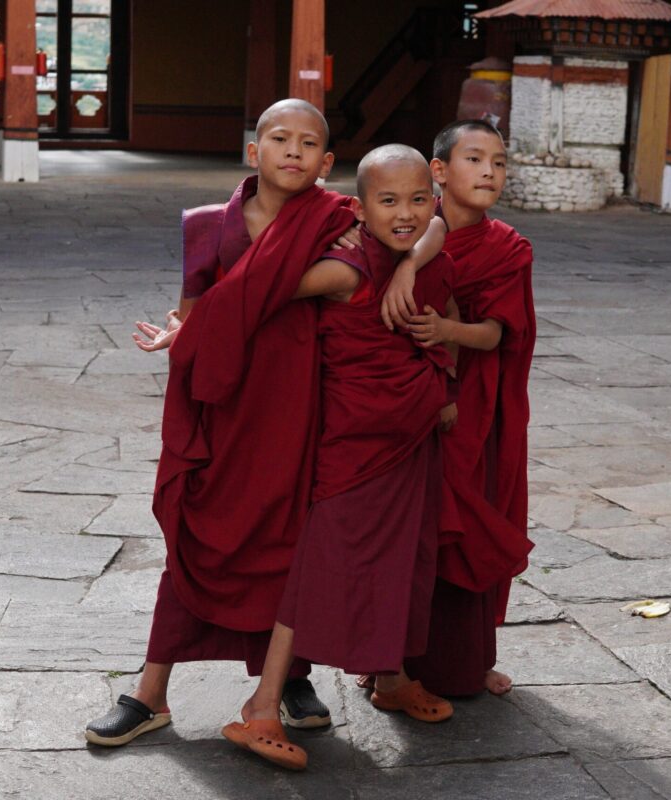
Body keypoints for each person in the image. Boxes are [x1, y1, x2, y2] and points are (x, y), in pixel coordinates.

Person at [85, 101, 440, 747]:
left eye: (310, 143)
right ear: (256, 151)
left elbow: (425, 224)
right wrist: (179, 331)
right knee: (198, 539)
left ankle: (288, 681)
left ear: (328, 164)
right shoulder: (205, 225)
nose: (294, 151)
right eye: (281, 138)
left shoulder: (339, 218)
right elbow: (199, 309)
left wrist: (411, 263)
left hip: (302, 404)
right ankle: (149, 692)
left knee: (287, 542)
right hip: (226, 404)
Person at [221, 145, 458, 771]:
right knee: (319, 568)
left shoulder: (413, 245)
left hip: (408, 435)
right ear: (358, 207)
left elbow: (436, 228)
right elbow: (255, 294)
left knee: (405, 555)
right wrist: (191, 323)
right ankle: (262, 707)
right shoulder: (342, 269)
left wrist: (409, 267)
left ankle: (390, 678)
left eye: (416, 200)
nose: (405, 213)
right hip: (354, 444)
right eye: (387, 201)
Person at [367, 119, 536, 698]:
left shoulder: (507, 247)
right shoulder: (402, 224)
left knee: (464, 528)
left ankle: (469, 657)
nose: (489, 171)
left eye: (499, 161)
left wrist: (445, 329)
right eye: (474, 159)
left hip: (473, 412)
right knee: (406, 532)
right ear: (439, 171)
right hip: (402, 409)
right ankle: (388, 659)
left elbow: (497, 334)